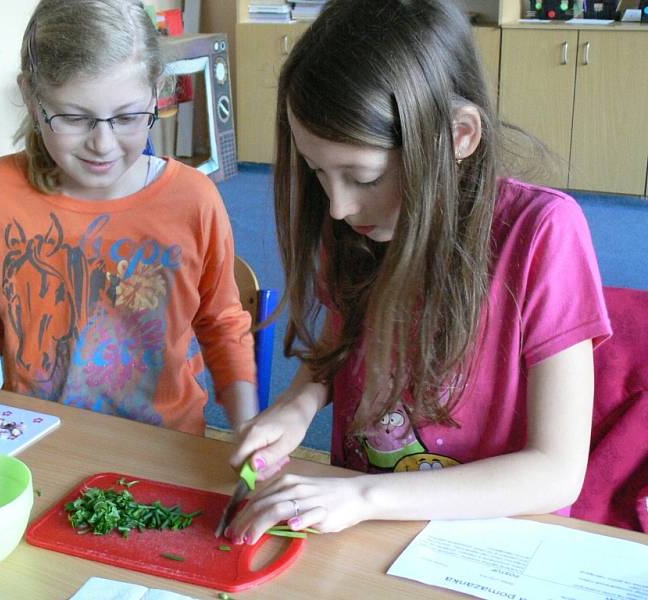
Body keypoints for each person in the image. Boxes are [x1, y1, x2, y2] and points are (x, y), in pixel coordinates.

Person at [225, 0, 611, 545]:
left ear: (458, 136)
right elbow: (342, 345)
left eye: (363, 176)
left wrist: (364, 497)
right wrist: (296, 406)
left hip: (493, 541)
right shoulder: (362, 225)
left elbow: (556, 472)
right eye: (318, 172)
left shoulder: (543, 232)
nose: (336, 206)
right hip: (369, 527)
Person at [0, 0, 257, 435]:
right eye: (74, 118)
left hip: (161, 445)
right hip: (34, 440)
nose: (102, 143)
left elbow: (222, 323)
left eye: (128, 117)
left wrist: (247, 427)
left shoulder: (193, 199)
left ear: (157, 92)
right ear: (30, 96)